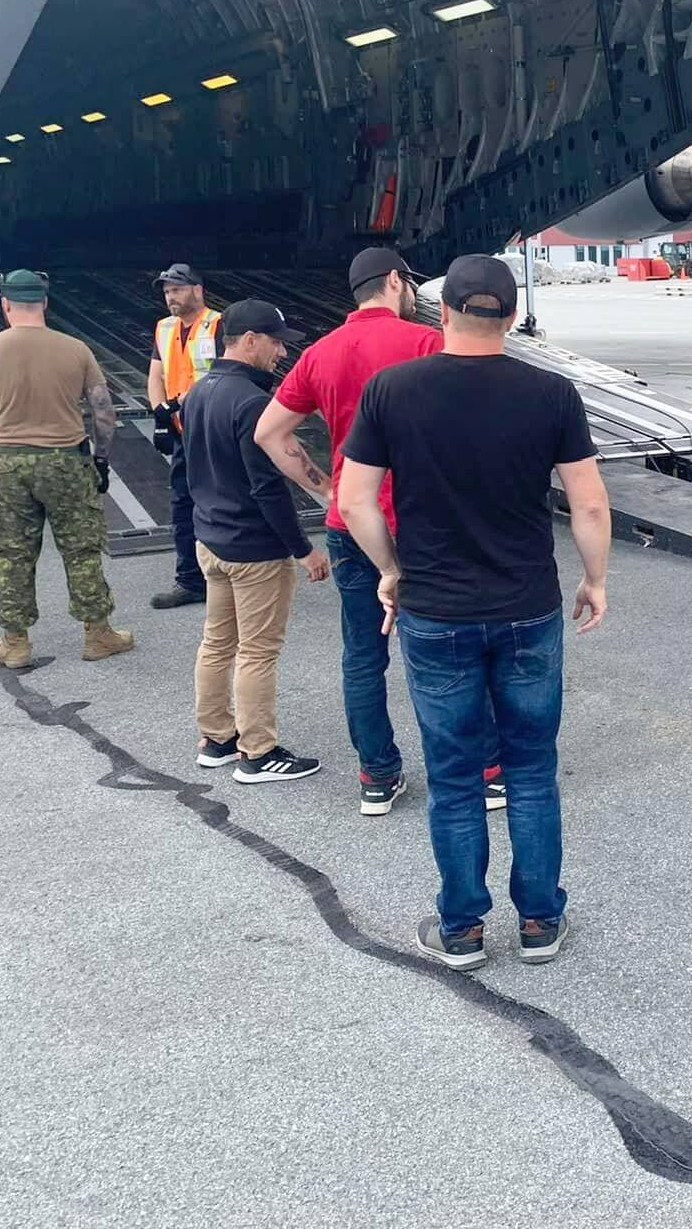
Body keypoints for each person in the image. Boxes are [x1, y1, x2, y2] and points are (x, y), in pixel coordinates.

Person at [339, 255, 610, 971]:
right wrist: (595, 579)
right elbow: (587, 502)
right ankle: (540, 921)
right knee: (529, 768)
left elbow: (353, 501)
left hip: (434, 612)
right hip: (527, 607)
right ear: (513, 317)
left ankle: (461, 928)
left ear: (444, 312)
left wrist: (391, 570)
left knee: (456, 775)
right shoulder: (551, 393)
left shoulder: (392, 391)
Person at [256, 246, 508, 819]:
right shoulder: (424, 343)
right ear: (396, 282)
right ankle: (488, 772)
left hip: (352, 524)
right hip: (425, 523)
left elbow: (271, 434)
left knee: (363, 656)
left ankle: (377, 775)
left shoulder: (320, 353)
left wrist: (326, 487)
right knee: (458, 649)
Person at [181, 299, 330, 783]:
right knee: (258, 651)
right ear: (248, 341)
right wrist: (303, 549)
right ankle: (259, 751)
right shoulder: (252, 403)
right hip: (253, 546)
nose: (281, 352)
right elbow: (268, 487)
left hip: (212, 538)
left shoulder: (199, 391)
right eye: (274, 342)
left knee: (217, 642)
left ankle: (217, 738)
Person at [0, 270, 134, 670]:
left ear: (5, 304)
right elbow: (103, 412)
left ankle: (15, 642)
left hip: (8, 460)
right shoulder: (76, 350)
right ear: (45, 303)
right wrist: (101, 459)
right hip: (66, 460)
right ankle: (98, 634)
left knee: (13, 554)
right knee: (81, 549)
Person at [147, 263, 222, 610]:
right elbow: (156, 373)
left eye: (176, 289)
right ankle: (190, 580)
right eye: (166, 291)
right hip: (182, 432)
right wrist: (160, 414)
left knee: (221, 502)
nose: (170, 297)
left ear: (197, 289)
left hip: (212, 428)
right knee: (183, 505)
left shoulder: (219, 325)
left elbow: (220, 376)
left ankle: (226, 575)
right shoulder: (164, 328)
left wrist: (174, 404)